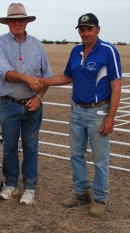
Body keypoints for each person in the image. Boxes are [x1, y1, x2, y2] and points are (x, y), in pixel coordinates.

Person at [41, 13, 122, 217]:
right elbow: (68, 77)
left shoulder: (108, 51)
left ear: (97, 30)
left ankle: (101, 198)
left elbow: (116, 85)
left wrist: (111, 117)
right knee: (76, 154)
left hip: (98, 111)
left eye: (89, 29)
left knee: (100, 158)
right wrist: (43, 81)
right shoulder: (76, 51)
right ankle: (80, 193)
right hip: (76, 110)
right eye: (82, 29)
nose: (86, 33)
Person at [0, 3, 52, 205]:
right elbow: (6, 73)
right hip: (9, 104)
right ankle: (10, 184)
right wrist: (27, 79)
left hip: (33, 105)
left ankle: (29, 187)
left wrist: (39, 98)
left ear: (27, 22)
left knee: (31, 146)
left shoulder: (37, 44)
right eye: (13, 20)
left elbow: (46, 77)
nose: (17, 23)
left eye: (21, 19)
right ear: (8, 22)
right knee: (9, 146)